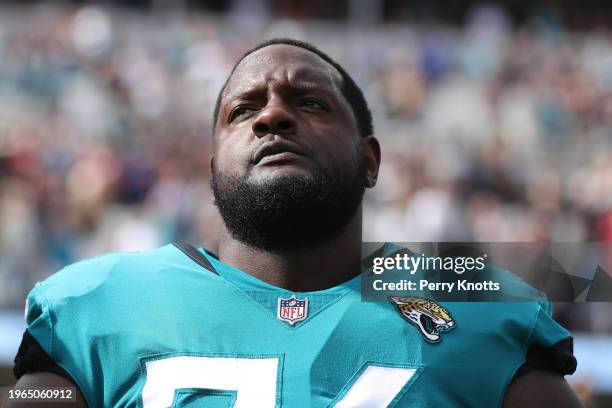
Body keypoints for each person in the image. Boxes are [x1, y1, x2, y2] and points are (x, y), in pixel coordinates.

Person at [8, 38, 581, 407]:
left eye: (310, 103)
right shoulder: (96, 307)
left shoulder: (484, 305)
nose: (274, 115)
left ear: (370, 159)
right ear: (213, 170)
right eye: (243, 110)